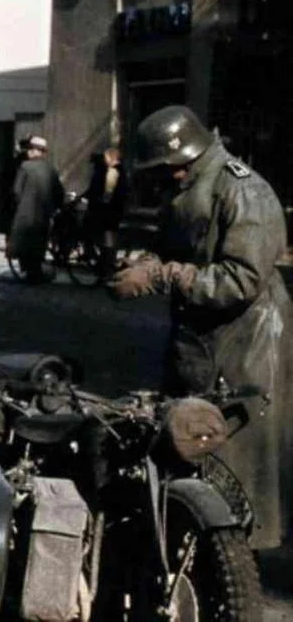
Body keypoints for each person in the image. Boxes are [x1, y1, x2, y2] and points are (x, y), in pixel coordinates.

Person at [107, 105, 292, 550]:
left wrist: (162, 275)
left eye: (168, 168)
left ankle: (234, 565)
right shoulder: (188, 184)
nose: (166, 177)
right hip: (200, 341)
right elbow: (171, 245)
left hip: (246, 344)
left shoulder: (242, 190)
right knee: (190, 444)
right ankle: (202, 546)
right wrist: (142, 263)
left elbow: (240, 280)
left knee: (236, 463)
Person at [8, 135, 65, 282]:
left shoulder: (25, 167)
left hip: (25, 214)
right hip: (43, 215)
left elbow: (16, 191)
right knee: (39, 243)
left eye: (30, 149)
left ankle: (28, 271)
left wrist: (17, 205)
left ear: (35, 151)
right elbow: (59, 192)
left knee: (23, 243)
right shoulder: (50, 169)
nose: (28, 152)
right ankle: (37, 270)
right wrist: (55, 207)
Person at [83, 146, 128, 275]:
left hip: (109, 212)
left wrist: (100, 203)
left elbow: (108, 193)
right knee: (109, 238)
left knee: (102, 236)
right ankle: (107, 263)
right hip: (117, 210)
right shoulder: (122, 171)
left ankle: (105, 264)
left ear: (110, 157)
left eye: (106, 157)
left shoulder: (112, 172)